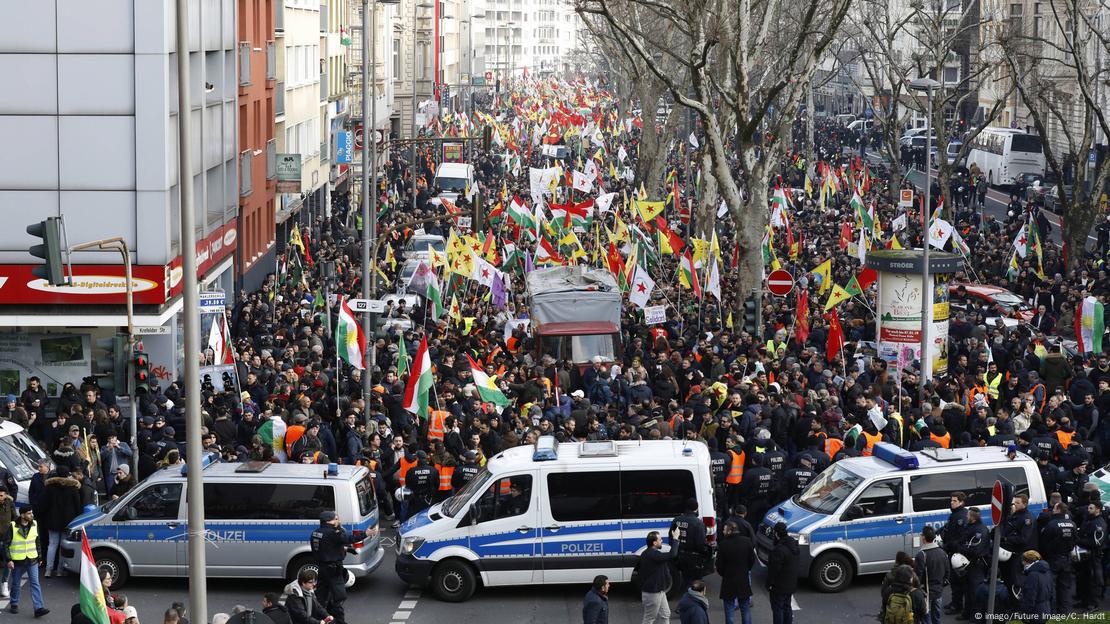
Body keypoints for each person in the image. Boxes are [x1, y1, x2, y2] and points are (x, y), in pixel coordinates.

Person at [309, 511, 356, 624]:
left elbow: (327, 547)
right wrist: (367, 533)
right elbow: (348, 539)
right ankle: (339, 621)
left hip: (322, 568)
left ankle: (317, 619)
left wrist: (346, 549)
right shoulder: (332, 533)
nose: (337, 520)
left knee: (321, 596)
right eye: (335, 519)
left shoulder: (316, 533)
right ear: (329, 521)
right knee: (339, 597)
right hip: (333, 570)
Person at [40, 464, 82, 577]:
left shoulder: (49, 487)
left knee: (52, 544)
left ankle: (48, 569)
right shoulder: (73, 488)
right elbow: (78, 506)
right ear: (68, 475)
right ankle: (60, 570)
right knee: (63, 546)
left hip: (52, 520)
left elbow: (44, 504)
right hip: (67, 521)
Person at [8, 506, 49, 617]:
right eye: (29, 513)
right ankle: (14, 603)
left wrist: (40, 557)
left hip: (32, 559)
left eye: (31, 513)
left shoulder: (34, 524)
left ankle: (38, 608)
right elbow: (6, 544)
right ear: (22, 515)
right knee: (16, 583)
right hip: (17, 560)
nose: (31, 515)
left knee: (35, 583)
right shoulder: (12, 526)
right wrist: (9, 559)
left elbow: (37, 541)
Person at [1039, 501, 1076, 613]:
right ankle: (1064, 611)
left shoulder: (1051, 524)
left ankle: (1053, 610)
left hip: (1053, 559)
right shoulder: (1072, 524)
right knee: (1064, 587)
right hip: (1067, 558)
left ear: (1059, 509)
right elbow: (1075, 540)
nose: (1052, 510)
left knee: (1052, 586)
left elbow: (1044, 542)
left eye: (1054, 508)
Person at [638, 527, 681, 624]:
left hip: (659, 591)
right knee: (649, 618)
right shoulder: (652, 555)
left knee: (666, 614)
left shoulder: (648, 553)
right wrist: (675, 538)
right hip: (652, 593)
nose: (662, 541)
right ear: (654, 543)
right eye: (660, 539)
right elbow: (672, 554)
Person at [716, 520, 755, 624]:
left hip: (728, 581)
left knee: (729, 610)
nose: (723, 531)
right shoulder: (746, 541)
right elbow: (752, 560)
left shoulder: (723, 545)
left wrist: (725, 573)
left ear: (729, 531)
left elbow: (719, 566)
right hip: (743, 579)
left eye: (724, 530)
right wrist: (746, 569)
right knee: (745, 609)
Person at [913, 525, 949, 624]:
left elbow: (917, 576)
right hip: (938, 591)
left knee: (925, 617)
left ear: (924, 537)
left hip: (926, 592)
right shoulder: (942, 552)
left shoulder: (921, 555)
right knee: (936, 617)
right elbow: (947, 573)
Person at [941, 491, 969, 615]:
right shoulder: (955, 514)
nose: (951, 503)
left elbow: (959, 538)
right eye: (951, 500)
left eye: (955, 501)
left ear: (961, 502)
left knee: (957, 580)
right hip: (952, 551)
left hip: (958, 553)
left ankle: (957, 606)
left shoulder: (961, 516)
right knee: (953, 580)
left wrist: (947, 546)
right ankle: (955, 602)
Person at [766, 522, 799, 624]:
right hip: (791, 583)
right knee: (787, 606)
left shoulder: (779, 550)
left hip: (779, 586)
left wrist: (769, 584)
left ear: (776, 534)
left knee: (778, 609)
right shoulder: (793, 545)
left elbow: (773, 570)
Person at [670, 498, 709, 584]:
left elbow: (671, 538)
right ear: (696, 509)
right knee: (694, 582)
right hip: (693, 558)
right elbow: (701, 544)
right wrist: (705, 553)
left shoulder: (676, 520)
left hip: (679, 555)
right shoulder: (698, 523)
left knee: (685, 579)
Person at [1018, 551, 1054, 624]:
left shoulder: (1032, 575)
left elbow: (1030, 598)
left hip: (1036, 612)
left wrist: (1025, 614)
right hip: (1046, 610)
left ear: (1026, 561)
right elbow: (1052, 593)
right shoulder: (1047, 572)